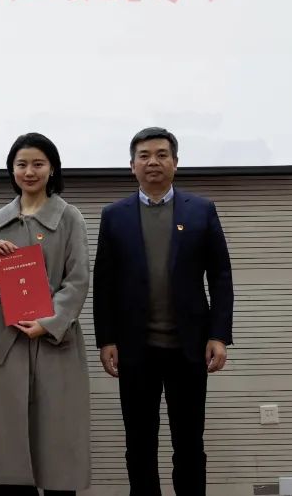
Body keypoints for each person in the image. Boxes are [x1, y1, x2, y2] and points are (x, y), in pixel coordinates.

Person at [93, 126, 234, 496]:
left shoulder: (201, 210)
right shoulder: (114, 215)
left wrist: (219, 335)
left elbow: (221, 276)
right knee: (139, 444)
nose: (152, 162)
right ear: (132, 166)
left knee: (189, 443)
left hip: (190, 348)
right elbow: (104, 283)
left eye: (161, 155)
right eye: (144, 156)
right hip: (135, 349)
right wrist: (106, 340)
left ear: (175, 162)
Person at [0, 133, 90, 496]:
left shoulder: (70, 217)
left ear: (52, 169)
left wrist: (49, 323)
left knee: (57, 443)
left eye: (38, 163)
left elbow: (78, 280)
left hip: (54, 340)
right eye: (21, 164)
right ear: (12, 170)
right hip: (7, 340)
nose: (29, 171)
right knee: (10, 445)